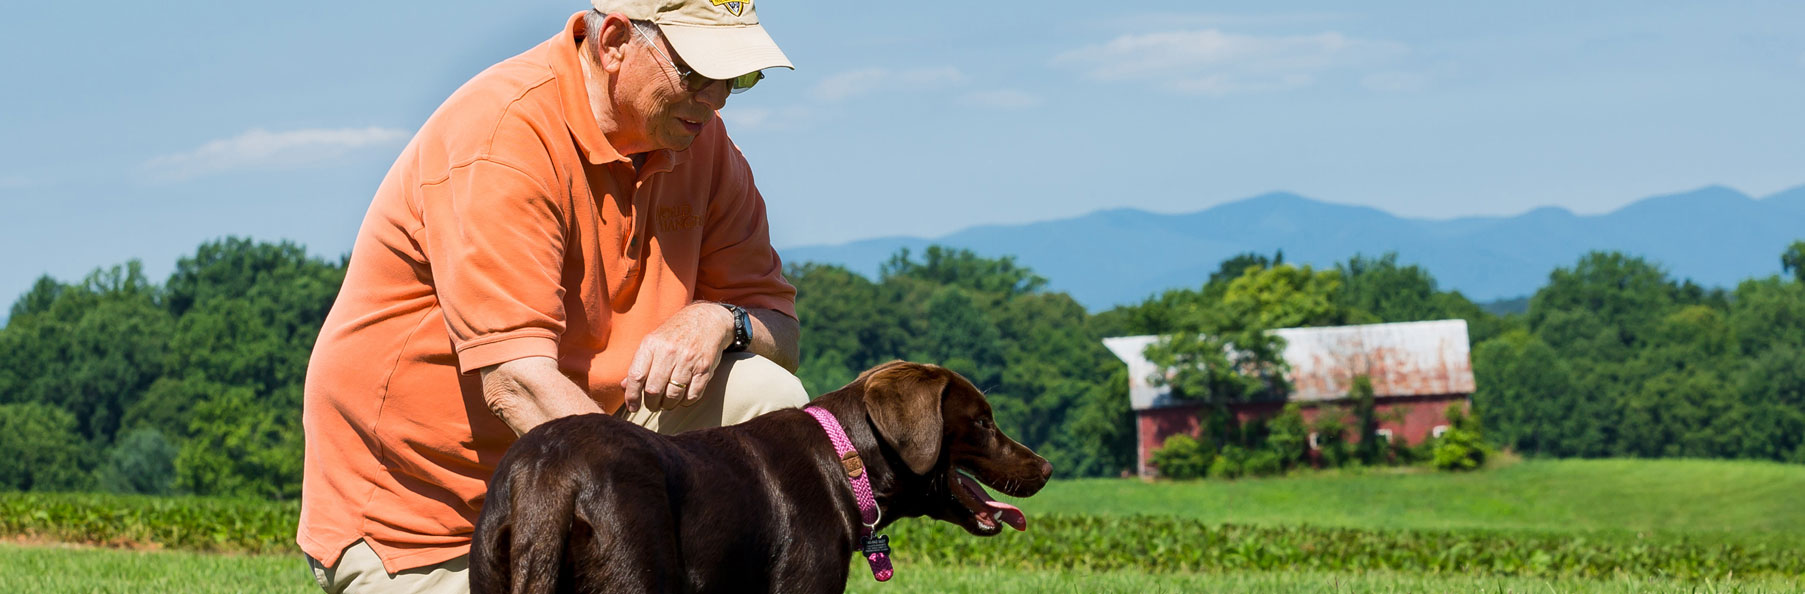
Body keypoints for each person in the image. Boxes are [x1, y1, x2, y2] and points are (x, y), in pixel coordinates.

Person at [297, 1, 805, 591]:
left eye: (737, 76)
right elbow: (517, 382)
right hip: (425, 521)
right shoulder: (503, 136)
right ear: (614, 42)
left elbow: (782, 336)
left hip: (584, 458)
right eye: (697, 71)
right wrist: (645, 527)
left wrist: (721, 320)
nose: (716, 98)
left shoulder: (702, 144)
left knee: (763, 393)